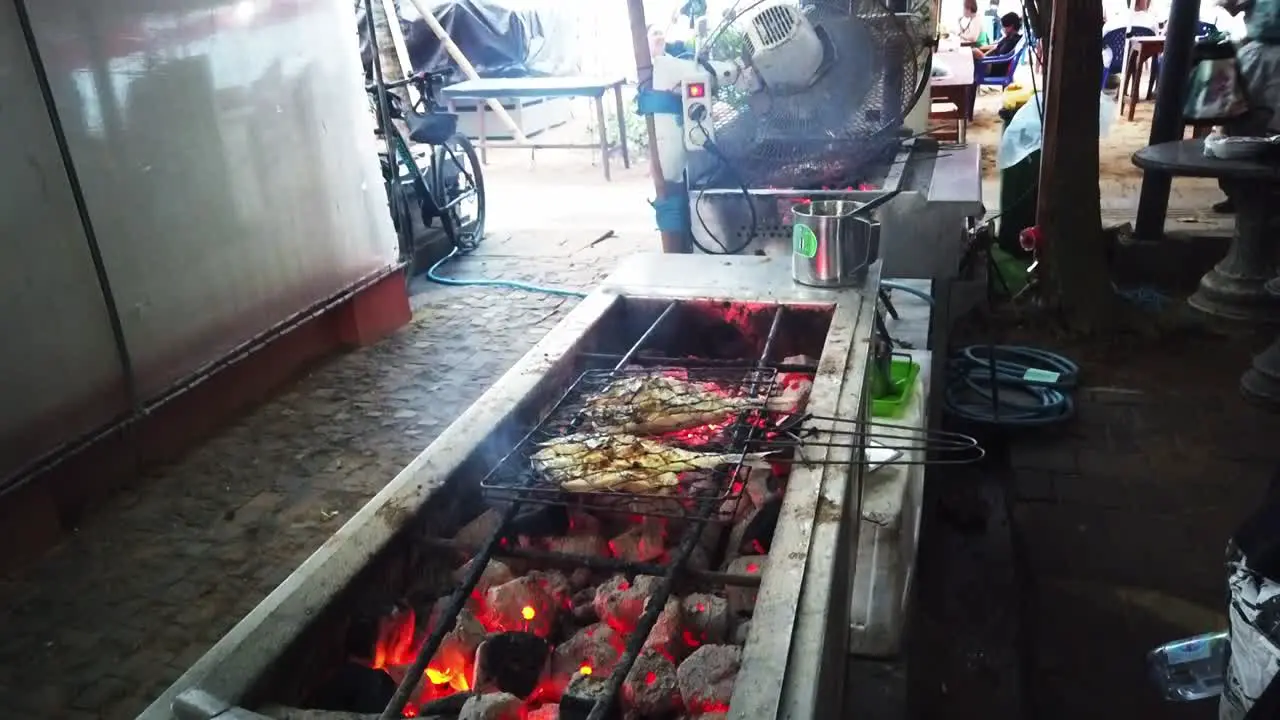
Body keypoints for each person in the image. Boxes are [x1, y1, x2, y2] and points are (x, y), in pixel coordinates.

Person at [1210, 0, 1280, 214]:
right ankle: (1239, 194)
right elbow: (1231, 5)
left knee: (1252, 122)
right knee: (1239, 118)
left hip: (1259, 52)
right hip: (1258, 50)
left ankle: (1254, 195)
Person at [968, 13, 1023, 117]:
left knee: (973, 53)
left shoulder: (1011, 40)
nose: (1002, 28)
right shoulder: (1009, 38)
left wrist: (984, 57)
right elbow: (997, 49)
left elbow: (1001, 56)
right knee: (972, 55)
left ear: (1010, 27)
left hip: (995, 67)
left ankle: (965, 103)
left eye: (1004, 26)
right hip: (993, 64)